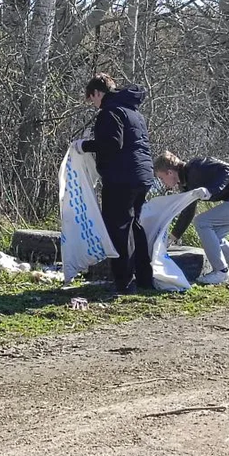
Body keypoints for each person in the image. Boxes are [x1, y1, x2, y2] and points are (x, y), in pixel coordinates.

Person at [73, 73, 154, 294]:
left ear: (98, 93)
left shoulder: (109, 112)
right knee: (135, 226)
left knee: (118, 228)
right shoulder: (133, 111)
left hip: (121, 177)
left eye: (92, 99)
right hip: (143, 175)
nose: (93, 104)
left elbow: (111, 144)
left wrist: (85, 146)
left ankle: (124, 282)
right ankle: (146, 278)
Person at [154, 150, 229, 286]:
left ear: (169, 173)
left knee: (202, 222)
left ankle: (221, 272)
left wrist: (211, 190)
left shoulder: (197, 166)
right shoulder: (187, 184)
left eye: (161, 178)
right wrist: (172, 238)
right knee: (214, 237)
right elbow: (188, 212)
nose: (162, 182)